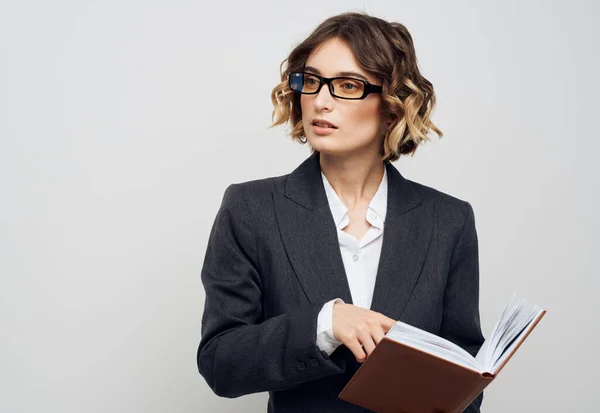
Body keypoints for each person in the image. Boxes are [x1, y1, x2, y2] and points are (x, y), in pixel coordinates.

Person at [197, 11, 485, 413]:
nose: (321, 100)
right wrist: (324, 326)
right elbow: (220, 362)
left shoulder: (448, 221)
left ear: (392, 104)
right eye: (311, 81)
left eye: (347, 85)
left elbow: (466, 376)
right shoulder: (251, 209)